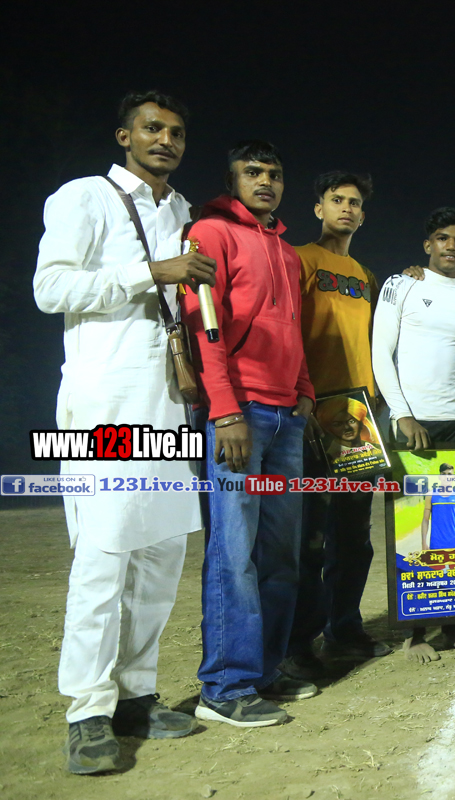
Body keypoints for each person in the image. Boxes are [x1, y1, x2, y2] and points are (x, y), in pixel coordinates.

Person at [34, 90, 209, 773]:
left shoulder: (184, 211)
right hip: (105, 409)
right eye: (152, 128)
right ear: (124, 136)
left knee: (160, 556)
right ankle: (87, 712)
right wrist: (150, 273)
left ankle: (137, 695)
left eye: (176, 132)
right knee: (104, 557)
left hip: (167, 407)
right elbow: (51, 289)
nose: (166, 140)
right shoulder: (84, 197)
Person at [181, 140, 317, 727]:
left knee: (281, 553)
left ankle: (265, 669)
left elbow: (293, 328)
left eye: (275, 174)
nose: (266, 181)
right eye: (253, 172)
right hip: (239, 414)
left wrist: (305, 388)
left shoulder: (286, 252)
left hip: (286, 415)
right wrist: (225, 409)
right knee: (233, 552)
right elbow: (204, 326)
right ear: (232, 179)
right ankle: (225, 686)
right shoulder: (209, 233)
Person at [282, 172, 390, 682]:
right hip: (312, 408)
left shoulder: (365, 274)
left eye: (355, 203)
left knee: (353, 536)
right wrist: (298, 398)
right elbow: (286, 330)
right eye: (337, 200)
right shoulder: (298, 259)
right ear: (319, 208)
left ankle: (344, 629)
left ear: (363, 216)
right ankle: (299, 642)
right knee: (310, 538)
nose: (346, 208)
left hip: (358, 414)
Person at [373, 206, 455, 662]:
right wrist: (402, 415)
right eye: (443, 238)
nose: (450, 246)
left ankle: (454, 627)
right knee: (411, 529)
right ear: (428, 245)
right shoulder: (401, 285)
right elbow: (381, 352)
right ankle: (415, 634)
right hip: (412, 424)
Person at [423, 465, 455, 549]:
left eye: (449, 474)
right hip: (435, 545)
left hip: (454, 544)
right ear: (439, 477)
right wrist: (423, 543)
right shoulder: (430, 495)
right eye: (443, 474)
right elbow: (425, 520)